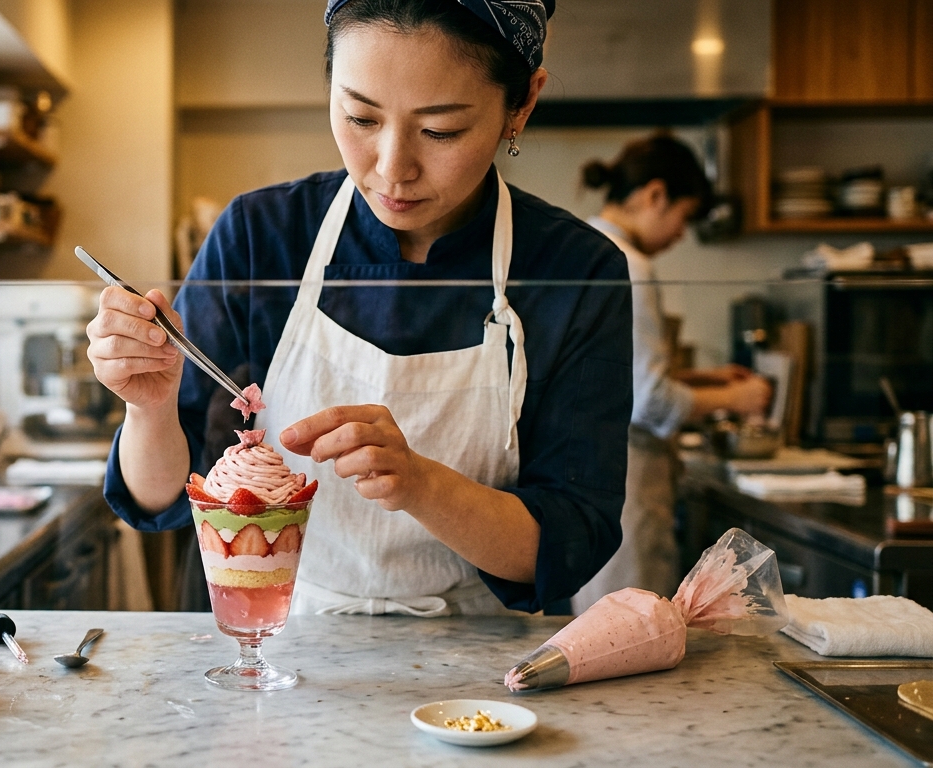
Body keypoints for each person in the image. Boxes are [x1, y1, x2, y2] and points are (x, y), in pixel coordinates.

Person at [89, 0, 633, 616]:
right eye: (360, 117)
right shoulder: (262, 236)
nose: (393, 168)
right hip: (280, 633)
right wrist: (150, 407)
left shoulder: (574, 269)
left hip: (485, 654)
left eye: (441, 130)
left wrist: (421, 484)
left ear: (523, 103)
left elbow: (569, 543)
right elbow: (159, 499)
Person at [570, 134, 772, 613]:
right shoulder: (630, 265)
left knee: (602, 622)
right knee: (635, 623)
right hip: (629, 478)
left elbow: (612, 373)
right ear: (656, 195)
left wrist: (704, 379)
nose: (682, 234)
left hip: (589, 472)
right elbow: (649, 400)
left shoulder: (582, 246)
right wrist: (737, 398)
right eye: (685, 215)